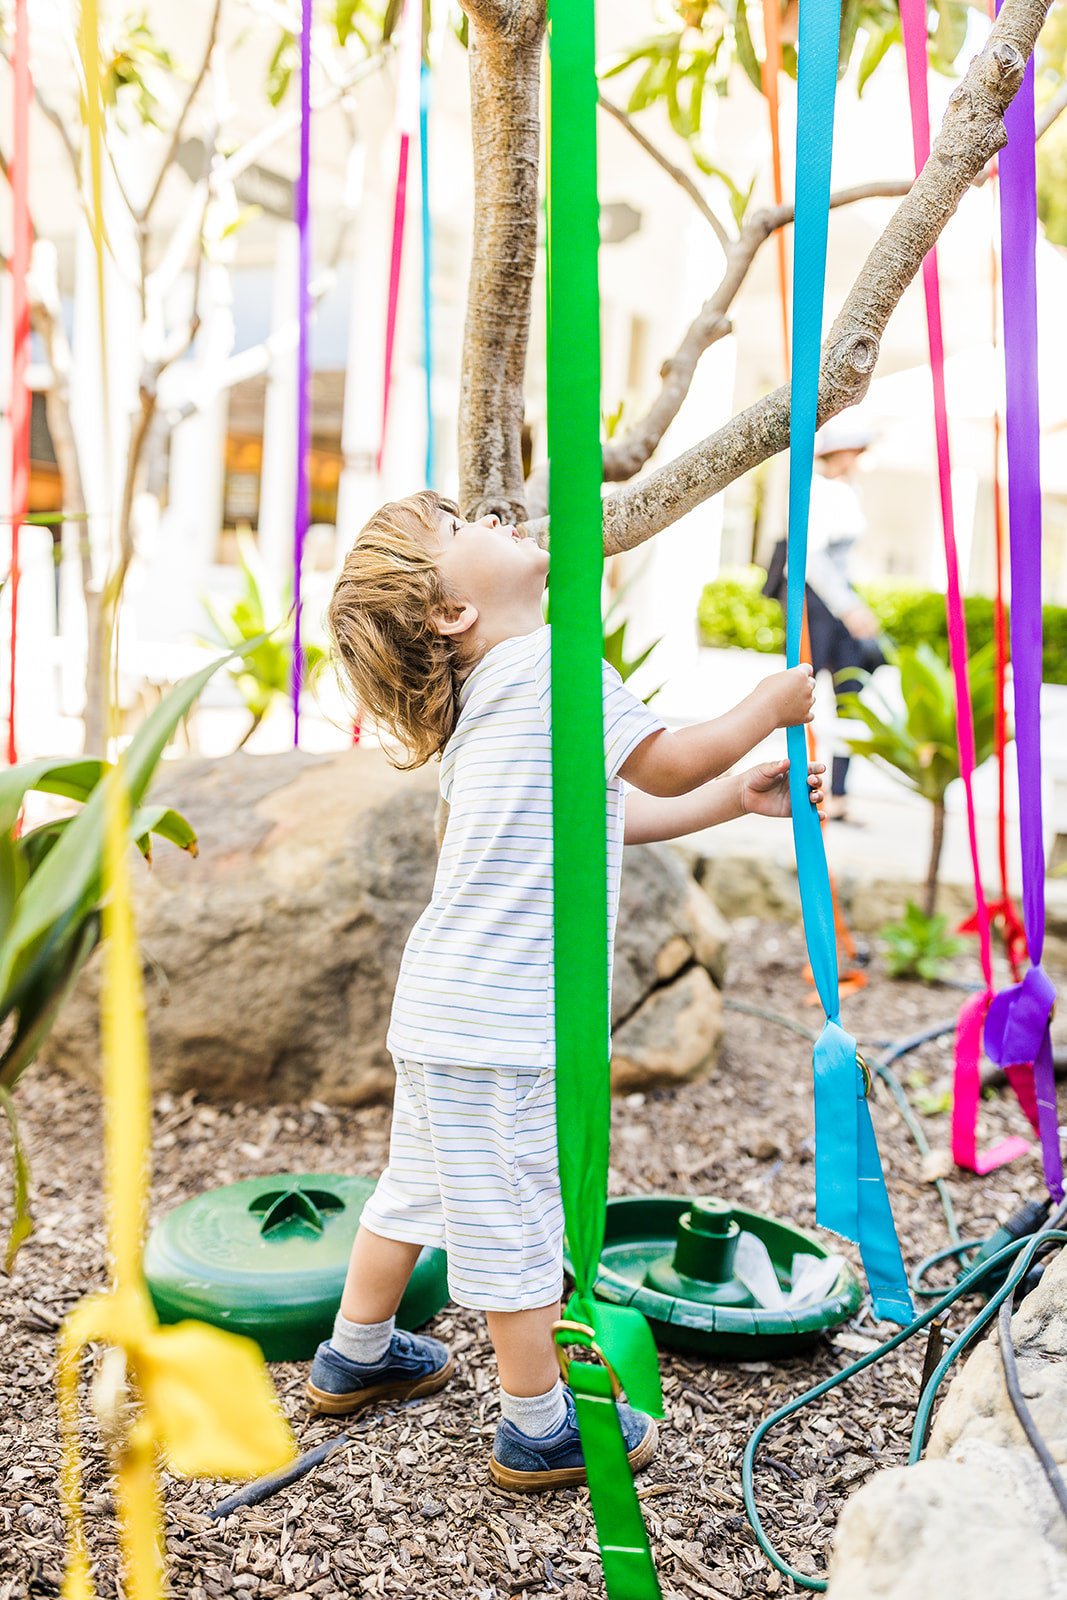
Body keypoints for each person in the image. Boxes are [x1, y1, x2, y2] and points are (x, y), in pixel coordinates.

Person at [312, 490, 824, 1492]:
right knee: (514, 1216)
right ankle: (536, 1421)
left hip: (441, 1008)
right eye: (460, 526)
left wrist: (729, 797)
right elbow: (667, 761)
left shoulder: (486, 705)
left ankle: (356, 1352)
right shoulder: (553, 665)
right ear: (452, 611)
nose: (495, 516)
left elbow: (593, 819)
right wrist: (766, 705)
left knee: (412, 1188)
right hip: (501, 1023)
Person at [763, 410, 885, 822]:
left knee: (852, 695)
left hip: (840, 604)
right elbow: (812, 559)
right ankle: (803, 788)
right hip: (818, 606)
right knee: (804, 695)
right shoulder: (812, 489)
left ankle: (842, 792)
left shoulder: (851, 492)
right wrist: (848, 606)